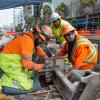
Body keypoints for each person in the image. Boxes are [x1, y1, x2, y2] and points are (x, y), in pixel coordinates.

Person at [0, 25, 51, 95]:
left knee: (32, 74)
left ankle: (6, 76)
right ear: (36, 33)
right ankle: (4, 85)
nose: (41, 42)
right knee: (31, 86)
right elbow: (27, 64)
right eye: (41, 39)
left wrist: (49, 59)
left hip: (13, 62)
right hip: (8, 64)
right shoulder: (28, 41)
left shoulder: (31, 38)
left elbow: (38, 49)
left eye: (43, 40)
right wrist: (43, 66)